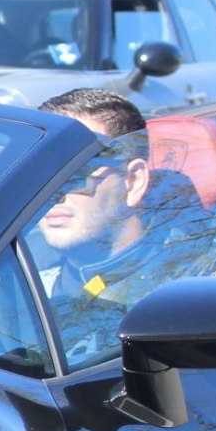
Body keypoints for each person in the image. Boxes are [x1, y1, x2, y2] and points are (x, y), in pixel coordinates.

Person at [32, 87, 200, 366]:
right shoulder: (5, 272)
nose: (54, 191)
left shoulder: (187, 293)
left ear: (133, 182)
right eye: (42, 170)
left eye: (78, 171)